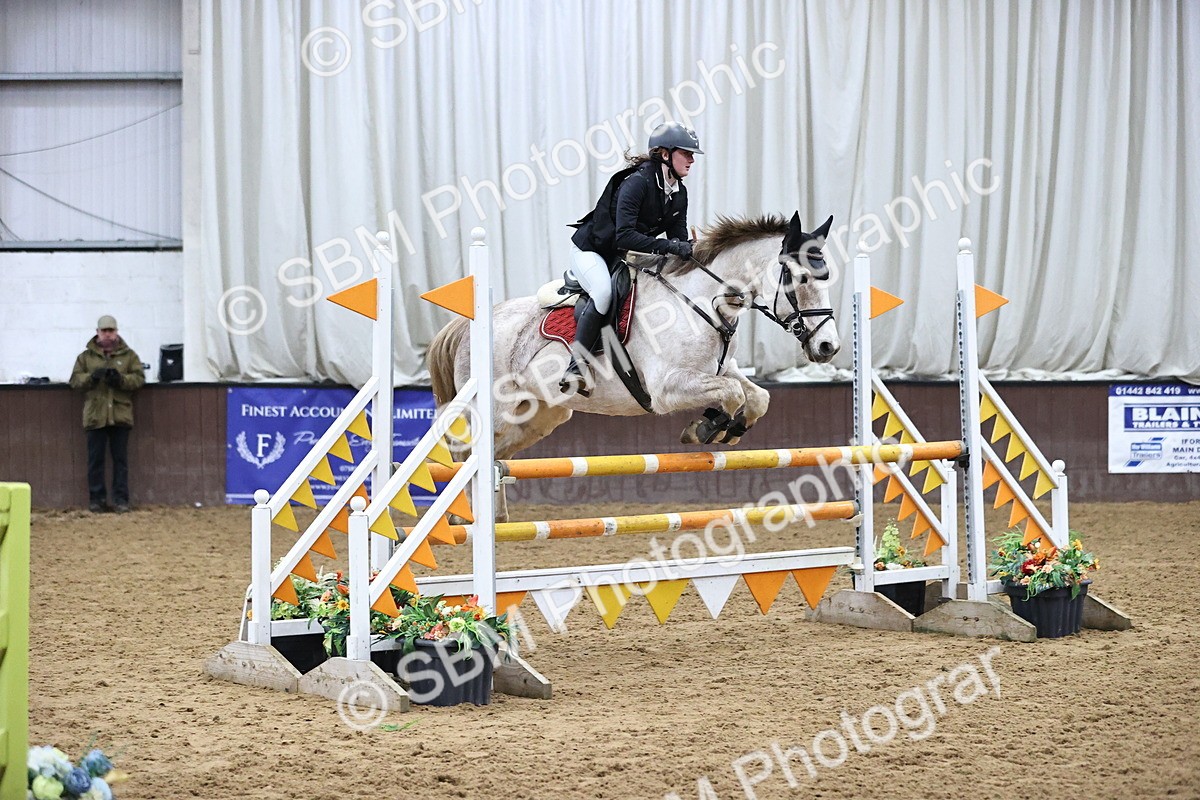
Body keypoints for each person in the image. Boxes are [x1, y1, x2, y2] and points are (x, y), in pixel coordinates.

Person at [563, 121, 702, 392]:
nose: (692, 159)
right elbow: (624, 235)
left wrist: (690, 249)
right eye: (686, 153)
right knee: (603, 292)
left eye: (692, 154)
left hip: (623, 256)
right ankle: (575, 366)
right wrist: (671, 247)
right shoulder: (637, 182)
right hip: (593, 251)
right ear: (665, 154)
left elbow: (676, 237)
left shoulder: (678, 192)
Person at [69, 315, 145, 513]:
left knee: (120, 461)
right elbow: (75, 381)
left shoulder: (129, 356)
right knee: (96, 461)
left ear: (117, 332)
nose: (108, 335)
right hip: (95, 415)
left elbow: (138, 379)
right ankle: (97, 500)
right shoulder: (85, 357)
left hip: (120, 415)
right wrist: (91, 378)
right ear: (97, 333)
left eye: (111, 331)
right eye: (104, 331)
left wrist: (120, 380)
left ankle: (121, 500)